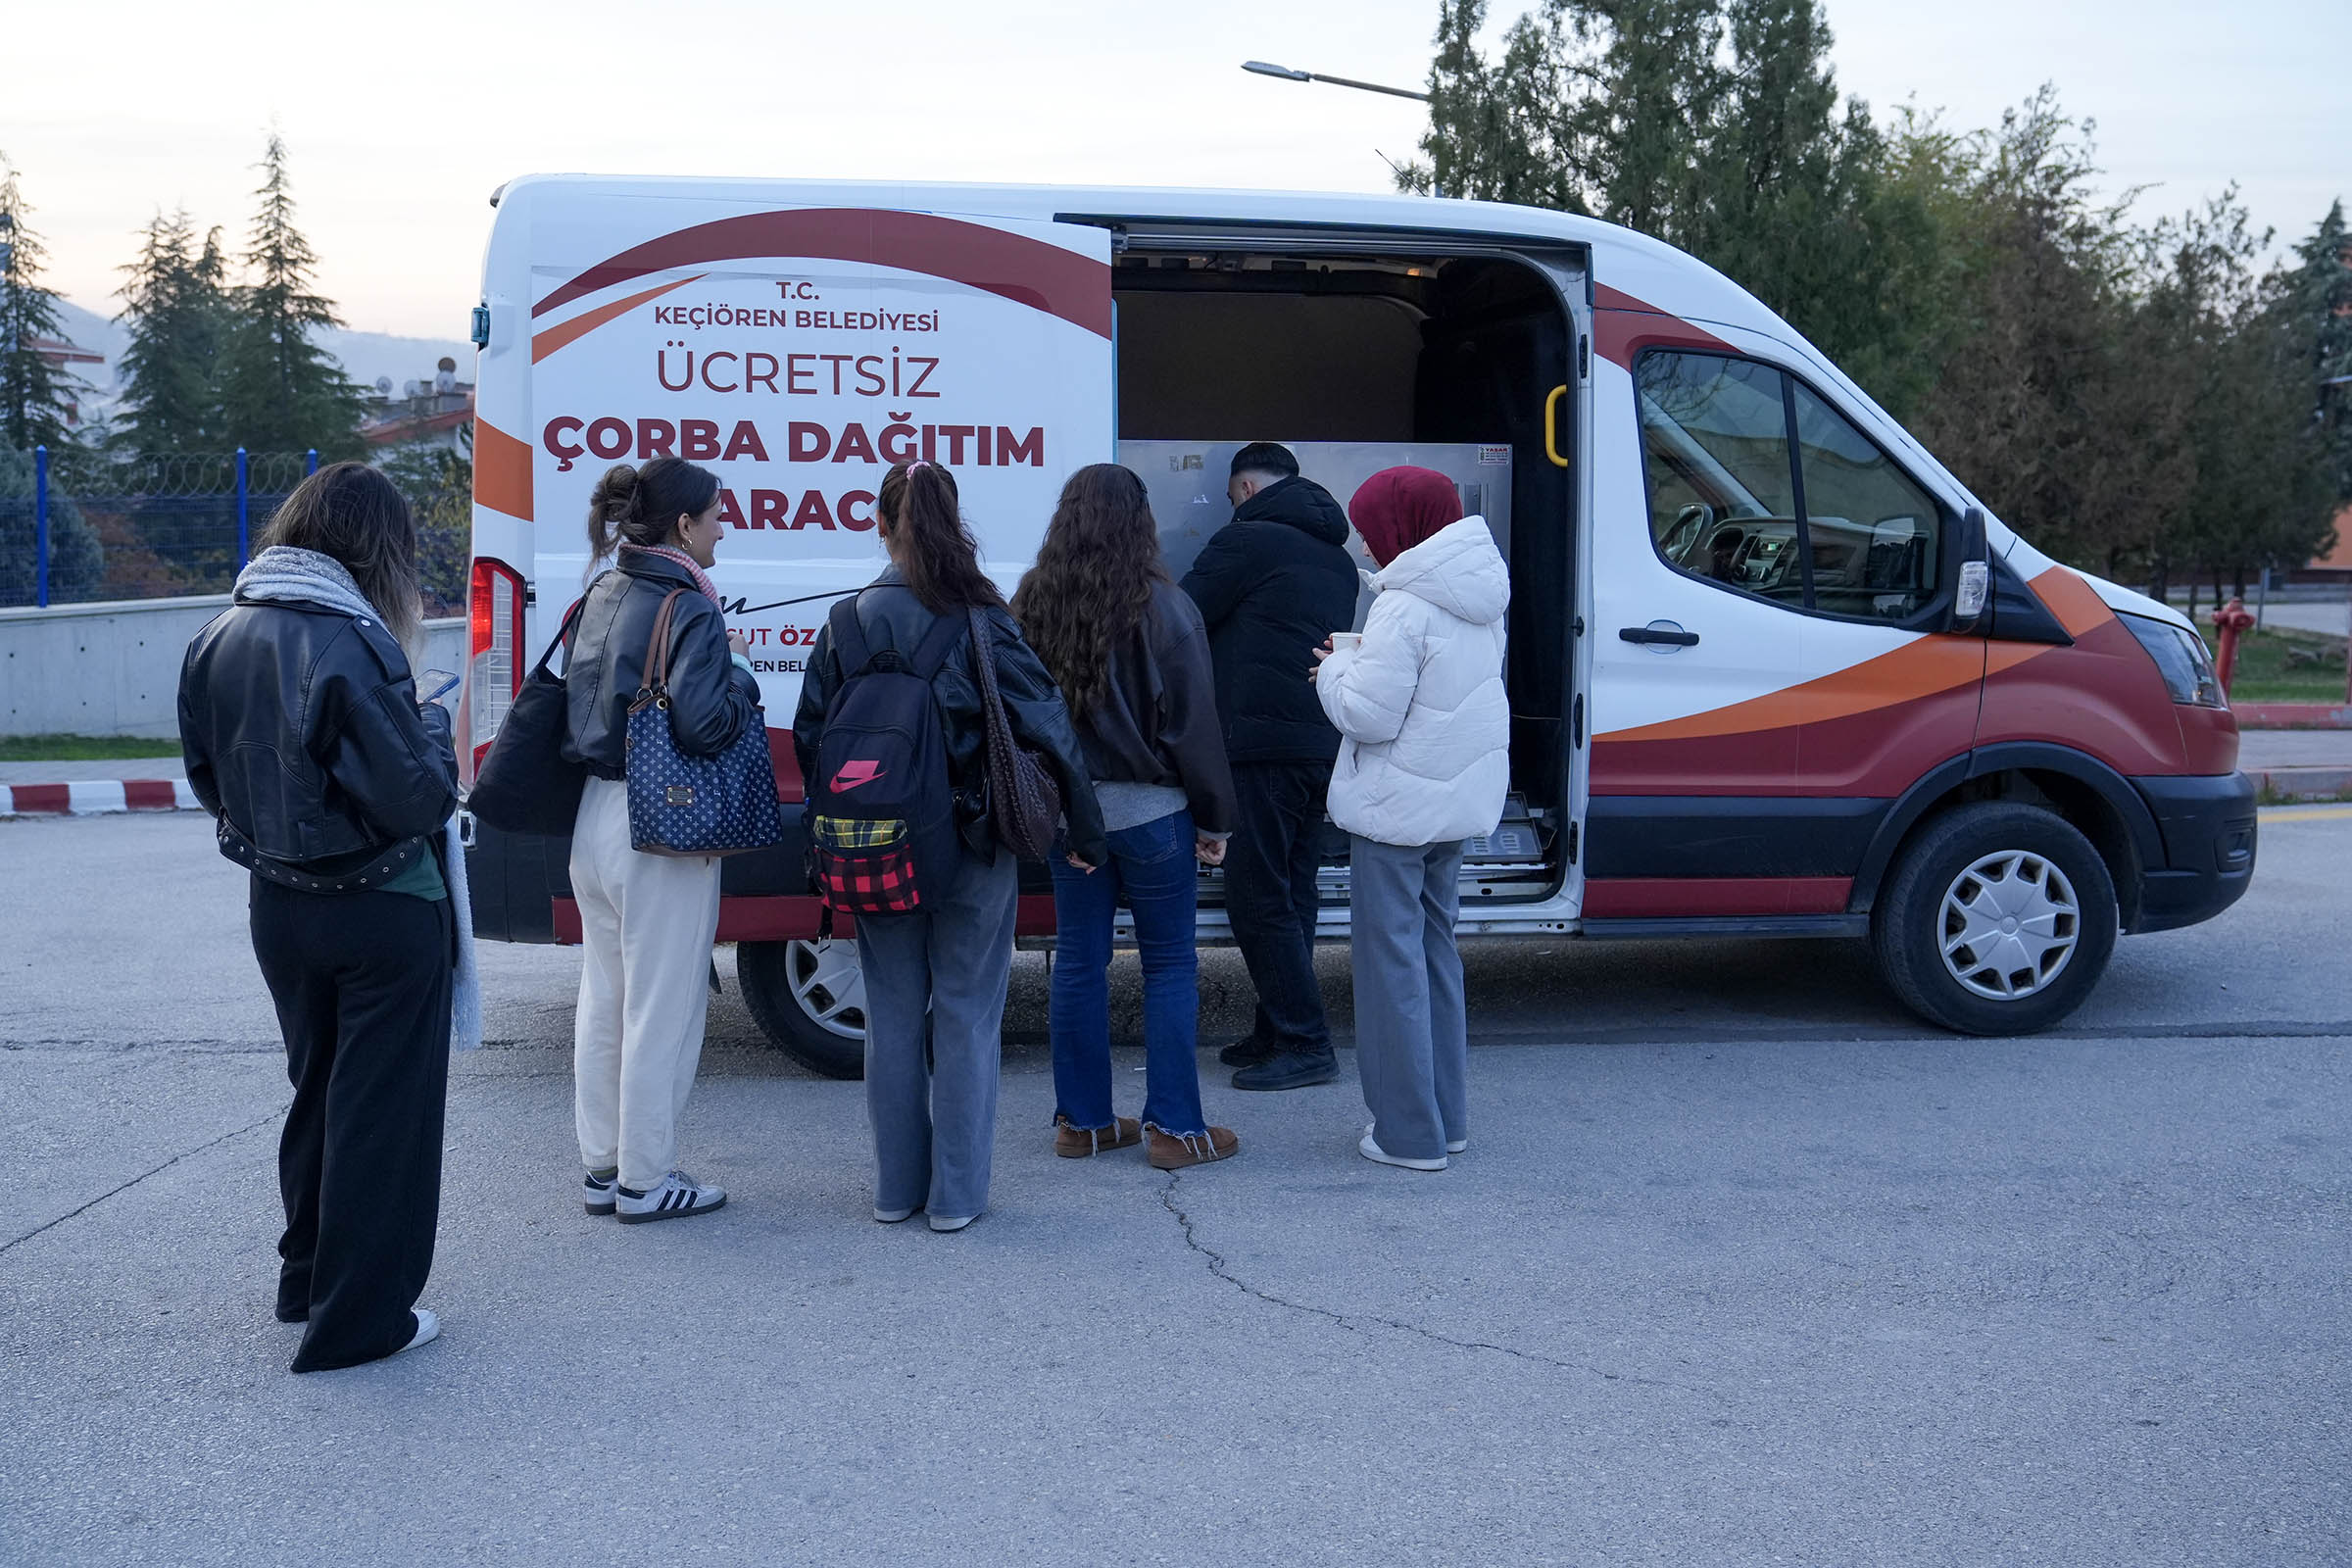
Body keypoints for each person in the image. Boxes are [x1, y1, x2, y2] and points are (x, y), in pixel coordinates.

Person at [178, 463, 464, 1371]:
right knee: (384, 1112)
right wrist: (431, 731)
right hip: (381, 908)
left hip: (280, 907)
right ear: (379, 550)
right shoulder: (355, 641)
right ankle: (362, 1322)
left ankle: (305, 1282)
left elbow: (207, 780)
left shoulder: (217, 632)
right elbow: (417, 801)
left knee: (319, 1093)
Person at [795, 461, 1105, 1232]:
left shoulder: (845, 623)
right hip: (971, 845)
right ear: (954, 523)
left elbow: (813, 740)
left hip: (877, 848)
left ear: (879, 524)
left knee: (892, 1016)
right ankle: (958, 1198)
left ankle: (895, 1190)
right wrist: (1083, 830)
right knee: (967, 1015)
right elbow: (1049, 725)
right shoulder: (983, 619)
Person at [1011, 464, 1242, 1170]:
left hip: (1070, 820)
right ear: (1140, 521)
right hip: (1153, 815)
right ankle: (1175, 1130)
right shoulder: (1167, 608)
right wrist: (1215, 820)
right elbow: (1194, 726)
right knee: (1170, 965)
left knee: (1079, 963)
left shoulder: (1031, 603)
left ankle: (1081, 1124)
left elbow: (1022, 722)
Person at [563, 456, 761, 1223]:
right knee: (663, 1006)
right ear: (684, 524)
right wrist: (739, 674)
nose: (723, 527)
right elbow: (707, 724)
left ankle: (604, 1169)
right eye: (717, 514)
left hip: (594, 817)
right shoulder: (691, 607)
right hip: (662, 827)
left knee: (605, 999)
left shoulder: (606, 589)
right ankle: (649, 1179)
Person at [1312, 466, 1509, 1172]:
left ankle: (1406, 1135)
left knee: (1389, 967)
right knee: (1435, 957)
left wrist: (1333, 670)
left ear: (1402, 526)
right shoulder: (1482, 596)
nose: (1365, 542)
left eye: (1369, 528)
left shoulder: (1402, 605)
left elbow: (1368, 713)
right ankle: (1446, 1121)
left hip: (1396, 812)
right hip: (1453, 808)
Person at [1178, 442, 1359, 1093]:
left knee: (1257, 896)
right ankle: (1277, 1028)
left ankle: (1307, 1042)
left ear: (1247, 491)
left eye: (1231, 501)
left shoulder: (1247, 542)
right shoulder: (1337, 559)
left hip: (1257, 745)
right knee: (1292, 892)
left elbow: (1181, 618)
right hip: (1318, 744)